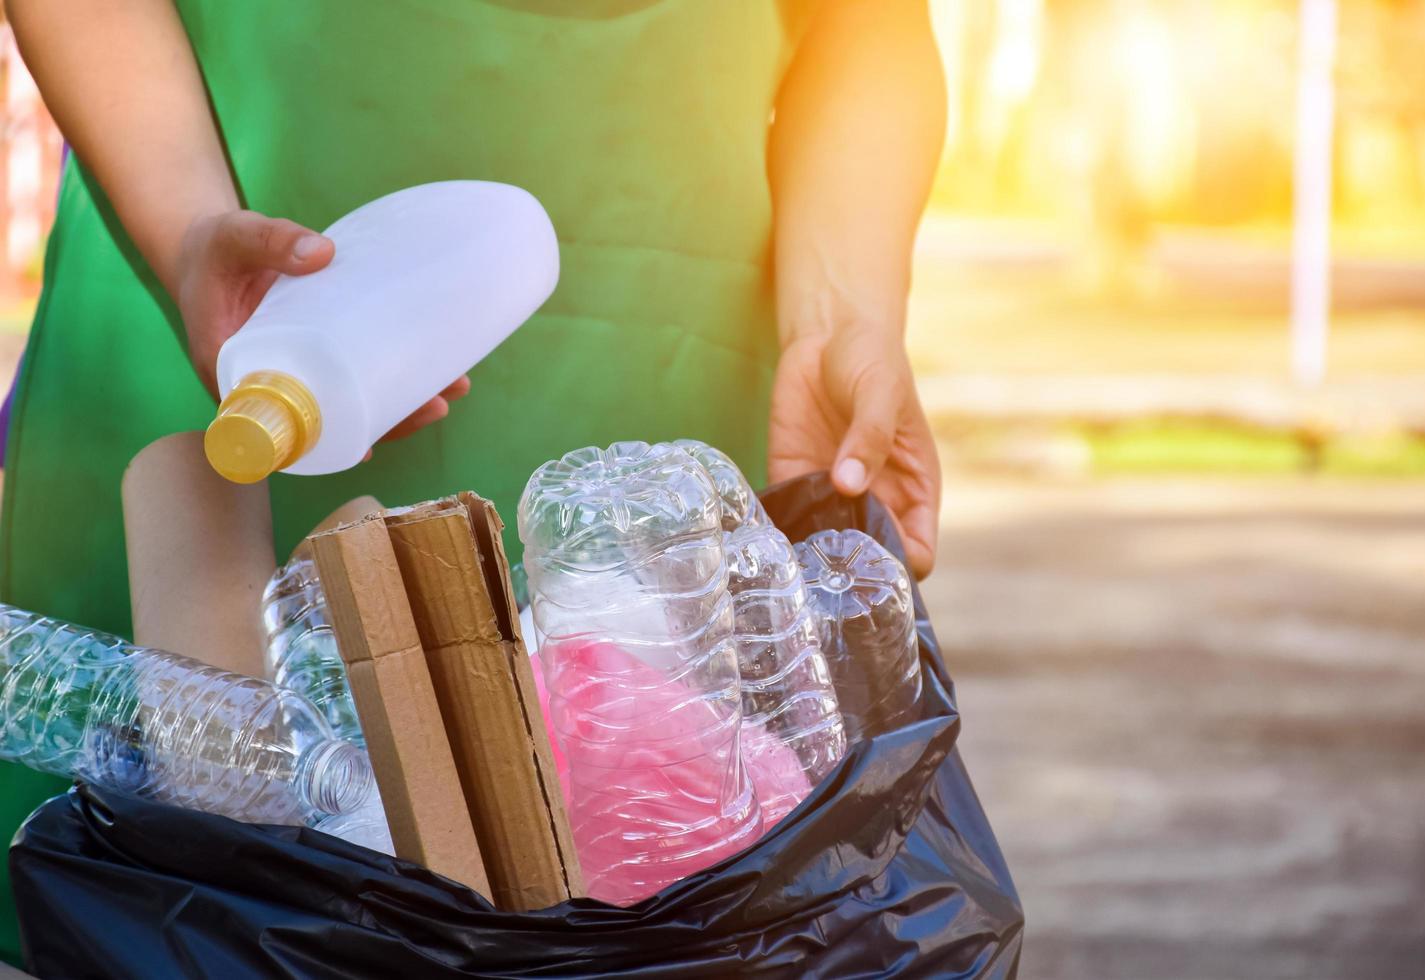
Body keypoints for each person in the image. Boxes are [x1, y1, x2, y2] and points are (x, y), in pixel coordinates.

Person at [0, 0, 945, 961]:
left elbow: (866, 22)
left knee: (656, 881)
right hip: (213, 272)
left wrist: (836, 320)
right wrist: (189, 223)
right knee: (171, 900)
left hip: (657, 341)